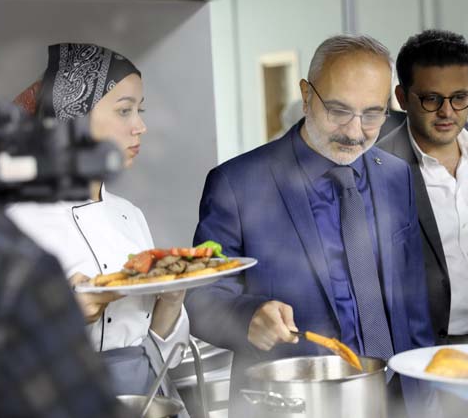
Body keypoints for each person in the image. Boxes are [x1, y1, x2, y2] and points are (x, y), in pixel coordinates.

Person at [185, 34, 436, 417]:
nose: (355, 132)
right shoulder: (237, 184)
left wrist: (427, 400)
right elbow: (200, 297)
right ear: (306, 95)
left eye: (372, 114)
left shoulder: (396, 176)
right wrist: (247, 317)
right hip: (291, 404)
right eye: (338, 110)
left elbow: (414, 305)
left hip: (397, 402)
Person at [7, 44, 189, 404]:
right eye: (124, 111)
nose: (140, 126)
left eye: (139, 110)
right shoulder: (18, 221)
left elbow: (156, 354)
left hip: (144, 400)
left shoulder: (130, 216)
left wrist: (172, 300)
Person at [378, 30, 468, 347]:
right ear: (402, 97)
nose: (447, 112)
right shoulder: (379, 168)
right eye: (431, 99)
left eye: (460, 97)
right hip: (430, 350)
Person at [0, 197, 132, 418]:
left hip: (138, 376)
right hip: (66, 375)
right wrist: (68, 315)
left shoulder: (128, 212)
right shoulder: (10, 230)